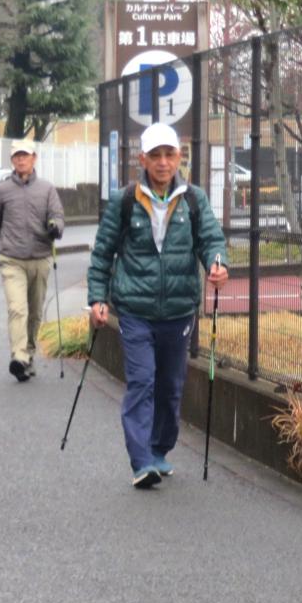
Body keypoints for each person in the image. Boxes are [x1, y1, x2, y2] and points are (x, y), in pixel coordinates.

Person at [87, 122, 229, 488]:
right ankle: (141, 461)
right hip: (135, 309)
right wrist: (98, 299)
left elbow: (211, 237)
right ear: (143, 159)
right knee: (142, 381)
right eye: (156, 156)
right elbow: (103, 253)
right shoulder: (124, 201)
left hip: (179, 310)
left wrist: (218, 261)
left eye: (170, 154)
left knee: (171, 385)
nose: (163, 162)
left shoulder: (193, 198)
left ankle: (159, 450)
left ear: (179, 157)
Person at [0, 139, 65, 382]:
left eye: (25, 156)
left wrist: (55, 227)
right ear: (12, 161)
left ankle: (29, 354)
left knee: (35, 313)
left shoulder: (47, 189)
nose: (21, 160)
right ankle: (18, 356)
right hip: (12, 258)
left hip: (40, 257)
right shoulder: (2, 190)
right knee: (17, 309)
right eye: (17, 156)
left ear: (34, 158)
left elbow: (58, 216)